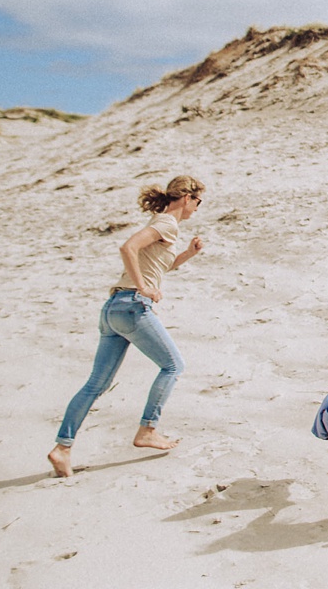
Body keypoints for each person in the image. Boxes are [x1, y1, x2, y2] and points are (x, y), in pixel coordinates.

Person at [46, 176, 206, 478]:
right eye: (199, 202)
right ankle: (147, 429)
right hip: (133, 306)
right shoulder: (167, 224)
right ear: (187, 197)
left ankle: (62, 448)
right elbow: (128, 247)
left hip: (113, 309)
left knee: (96, 385)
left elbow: (159, 266)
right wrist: (144, 288)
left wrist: (188, 254)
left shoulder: (163, 225)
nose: (198, 208)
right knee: (173, 366)